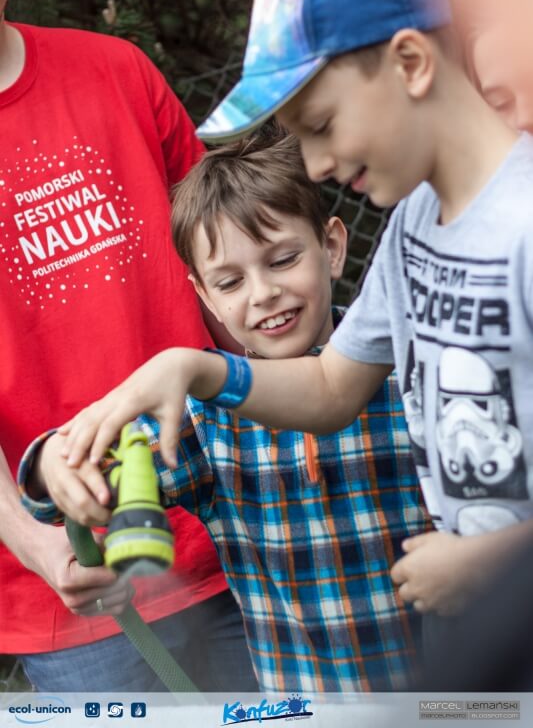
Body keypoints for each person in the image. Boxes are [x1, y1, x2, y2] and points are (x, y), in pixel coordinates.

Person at [36, 0, 533, 666]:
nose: (319, 165)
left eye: (322, 126)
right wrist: (193, 369)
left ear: (410, 63)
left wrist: (492, 561)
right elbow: (331, 386)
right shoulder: (412, 229)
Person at [19, 129, 431, 693]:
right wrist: (53, 465)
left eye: (283, 259)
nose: (262, 293)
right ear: (205, 297)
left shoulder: (409, 371)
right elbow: (77, 479)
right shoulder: (207, 418)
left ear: (332, 247)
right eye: (231, 281)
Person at [0, 0, 255, 693]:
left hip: (243, 534)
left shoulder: (116, 69)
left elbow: (229, 279)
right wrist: (39, 545)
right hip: (77, 589)